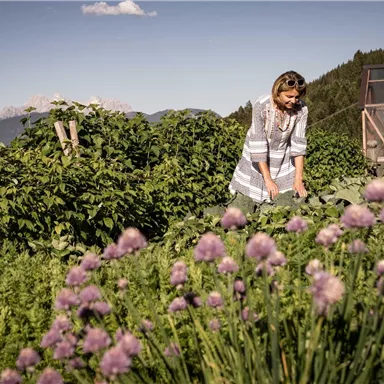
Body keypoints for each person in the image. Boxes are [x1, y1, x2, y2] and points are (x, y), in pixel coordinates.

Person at [228, 70, 309, 210]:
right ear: (277, 92)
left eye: (297, 97)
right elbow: (258, 143)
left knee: (285, 201)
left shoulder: (302, 109)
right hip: (257, 155)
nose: (293, 101)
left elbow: (298, 144)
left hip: (282, 155)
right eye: (289, 96)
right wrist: (268, 179)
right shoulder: (262, 105)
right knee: (253, 200)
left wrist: (298, 179)